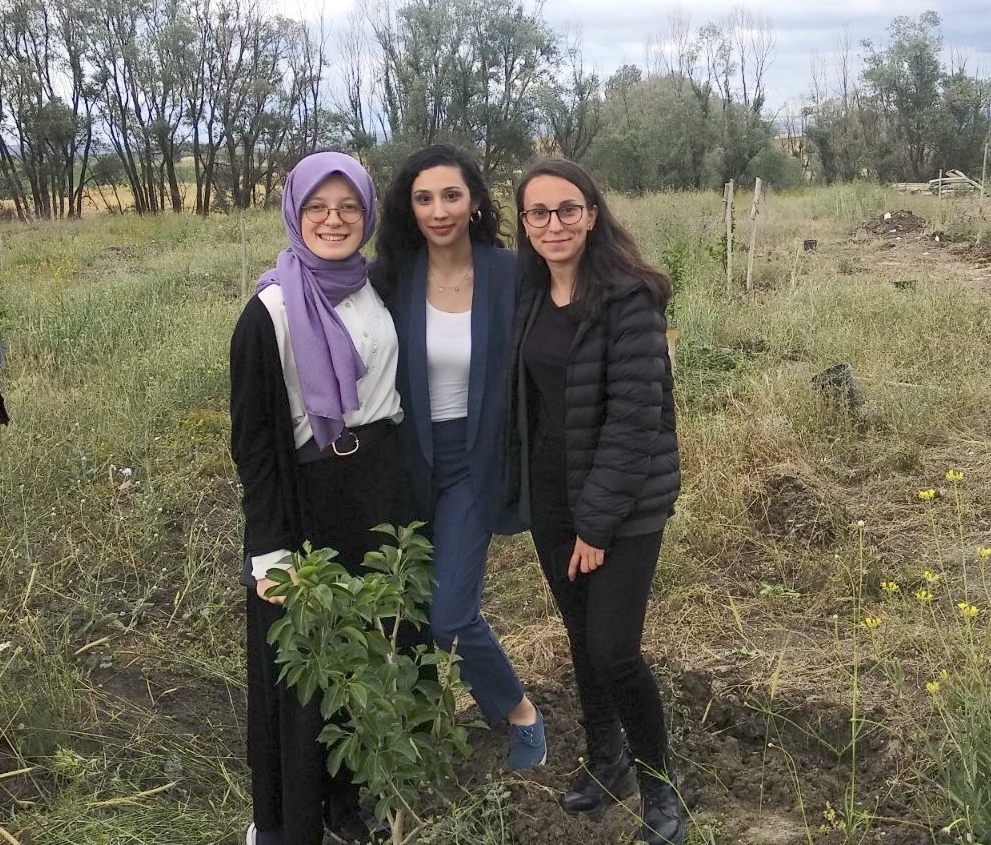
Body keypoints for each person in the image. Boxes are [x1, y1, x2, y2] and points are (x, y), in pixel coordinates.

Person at [230, 152, 416, 845]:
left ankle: (347, 803)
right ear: (295, 213)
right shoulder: (269, 310)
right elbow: (252, 442)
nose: (333, 220)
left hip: (379, 493)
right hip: (306, 499)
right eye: (318, 208)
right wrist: (269, 549)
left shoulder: (376, 287)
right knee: (301, 666)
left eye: (348, 208)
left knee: (362, 654)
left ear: (366, 214)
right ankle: (286, 821)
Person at [509, 158, 685, 845]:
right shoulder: (528, 294)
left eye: (567, 210)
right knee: (581, 636)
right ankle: (606, 760)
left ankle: (659, 787)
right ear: (524, 224)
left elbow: (636, 417)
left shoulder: (628, 298)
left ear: (591, 212)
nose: (553, 224)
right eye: (538, 213)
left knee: (614, 648)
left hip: (624, 499)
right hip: (551, 495)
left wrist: (596, 523)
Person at [371, 144, 546, 769]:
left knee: (450, 614)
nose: (439, 210)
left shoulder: (509, 272)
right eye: (424, 198)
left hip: (475, 458)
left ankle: (518, 709)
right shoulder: (392, 275)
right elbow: (327, 293)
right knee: (406, 603)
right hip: (406, 457)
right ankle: (424, 719)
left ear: (474, 201)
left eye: (451, 195)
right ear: (408, 208)